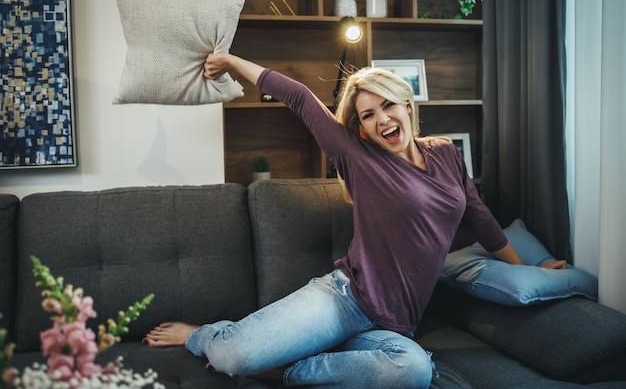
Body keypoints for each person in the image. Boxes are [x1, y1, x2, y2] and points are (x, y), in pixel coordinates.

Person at [143, 52, 566, 388]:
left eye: (387, 106)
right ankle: (203, 335)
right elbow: (300, 97)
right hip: (343, 301)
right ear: (360, 129)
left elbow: (481, 219)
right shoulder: (360, 159)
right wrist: (233, 62)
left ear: (406, 104)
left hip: (393, 327)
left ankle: (284, 371)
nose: (382, 119)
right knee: (231, 357)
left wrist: (527, 269)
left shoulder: (447, 154)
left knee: (412, 372)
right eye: (367, 115)